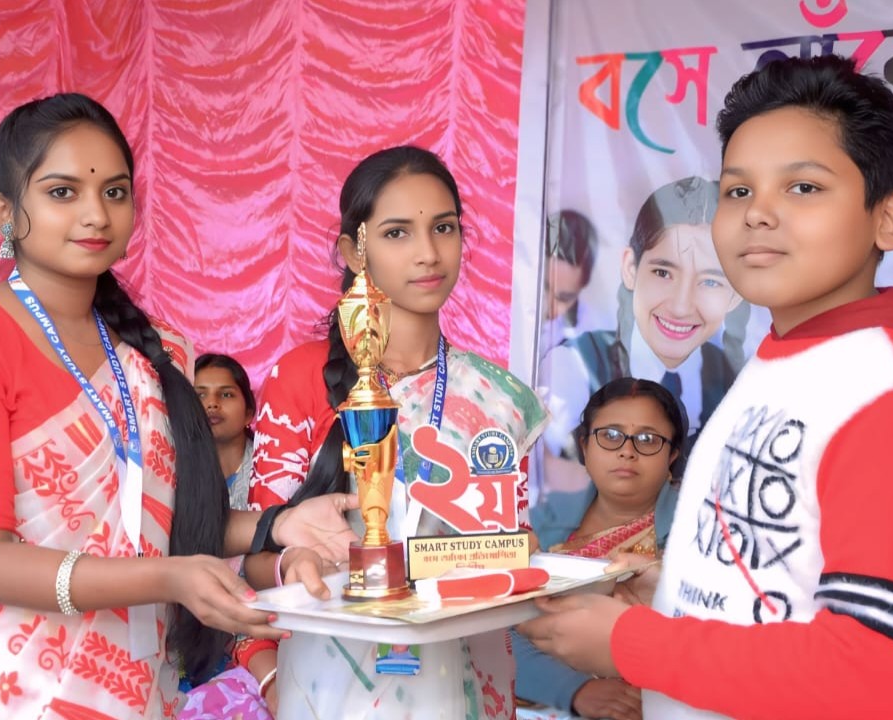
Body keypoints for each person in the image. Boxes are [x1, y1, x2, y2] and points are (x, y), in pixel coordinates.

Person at [519, 55, 893, 720]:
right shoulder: (783, 358)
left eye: (803, 187)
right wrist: (673, 595)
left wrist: (632, 643)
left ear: (886, 219)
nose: (758, 214)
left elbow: (878, 677)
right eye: (738, 191)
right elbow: (778, 582)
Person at [0, 92, 357, 719]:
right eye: (63, 192)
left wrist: (279, 527)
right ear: (4, 212)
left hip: (139, 687)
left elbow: (166, 522)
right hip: (1, 688)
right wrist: (168, 578)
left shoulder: (156, 351)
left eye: (115, 192)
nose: (96, 214)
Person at [245, 145, 548, 719]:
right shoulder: (301, 378)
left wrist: (522, 554)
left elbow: (516, 545)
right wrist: (294, 567)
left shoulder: (499, 396)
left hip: (468, 679)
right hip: (332, 684)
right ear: (352, 252)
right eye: (397, 233)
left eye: (444, 228)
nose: (428, 253)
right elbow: (256, 554)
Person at [535, 177, 743, 547]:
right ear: (630, 267)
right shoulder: (573, 366)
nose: (681, 306)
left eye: (710, 282)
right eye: (663, 272)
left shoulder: (741, 387)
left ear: (736, 294)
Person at [514, 378, 686, 720]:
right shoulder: (538, 524)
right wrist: (574, 690)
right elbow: (496, 627)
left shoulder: (700, 530)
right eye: (610, 435)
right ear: (585, 446)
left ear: (672, 455)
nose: (627, 451)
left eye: (648, 440)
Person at [194, 353, 256, 510]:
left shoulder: (273, 470)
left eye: (226, 394)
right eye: (200, 395)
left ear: (248, 413)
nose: (212, 403)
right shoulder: (172, 473)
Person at [540, 209, 605, 353]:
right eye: (543, 288)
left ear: (582, 287)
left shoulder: (589, 333)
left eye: (563, 298)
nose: (548, 305)